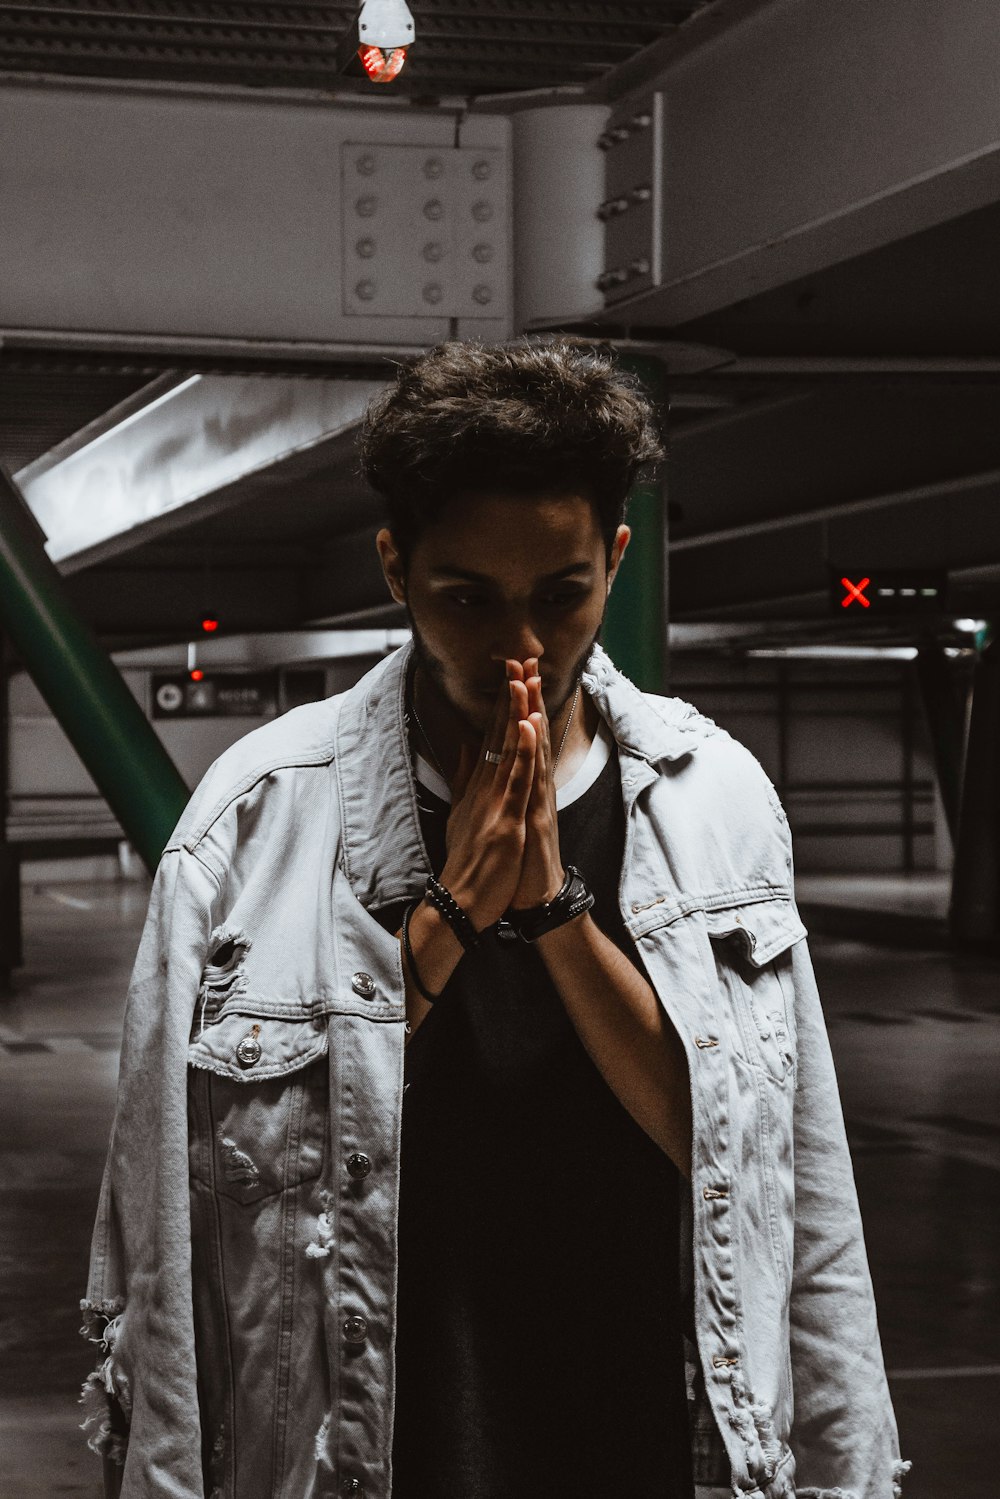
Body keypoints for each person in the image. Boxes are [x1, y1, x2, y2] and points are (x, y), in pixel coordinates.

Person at [79, 338, 912, 1499]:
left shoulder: (711, 801)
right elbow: (165, 1229)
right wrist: (450, 917)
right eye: (467, 598)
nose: (519, 644)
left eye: (560, 594)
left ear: (615, 561)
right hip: (363, 1449)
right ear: (394, 567)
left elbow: (773, 1168)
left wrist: (553, 907)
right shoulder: (257, 818)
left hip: (636, 1441)